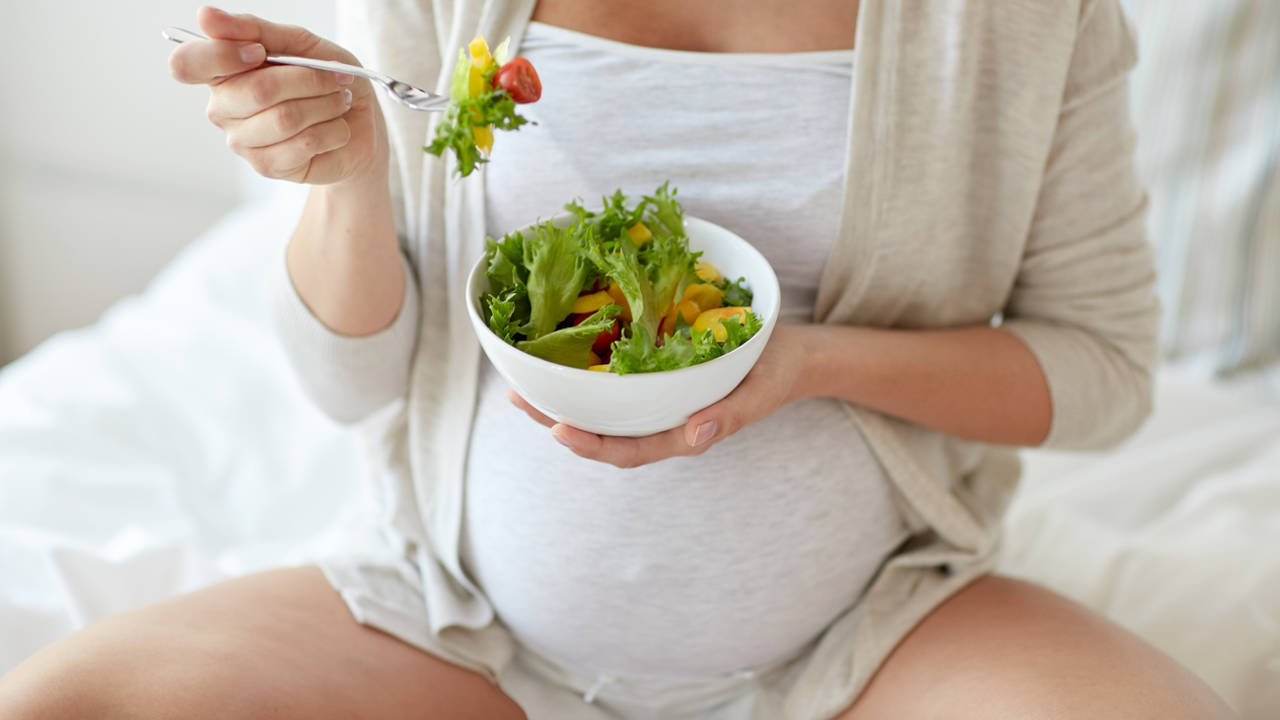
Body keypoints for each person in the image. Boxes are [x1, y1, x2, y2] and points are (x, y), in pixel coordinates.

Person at [0, 1, 1238, 718]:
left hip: (869, 643)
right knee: (61, 704)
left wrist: (804, 362)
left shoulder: (1016, 23)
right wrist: (351, 182)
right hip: (462, 632)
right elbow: (350, 384)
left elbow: (1101, 371)